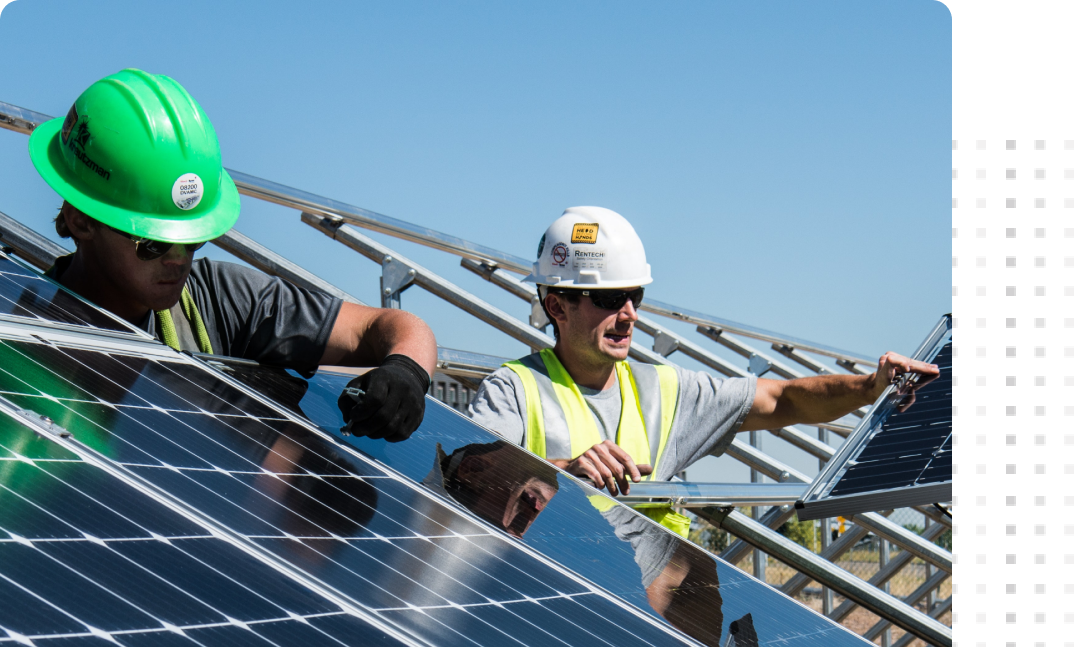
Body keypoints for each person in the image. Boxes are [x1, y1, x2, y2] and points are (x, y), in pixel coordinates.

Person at [468, 206, 940, 536]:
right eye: (612, 299)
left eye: (636, 296)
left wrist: (871, 385)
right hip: (549, 607)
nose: (630, 314)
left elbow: (783, 399)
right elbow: (472, 486)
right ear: (557, 305)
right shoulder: (513, 391)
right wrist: (561, 473)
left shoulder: (665, 392)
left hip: (643, 615)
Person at [28, 68, 436, 442]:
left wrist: (406, 372)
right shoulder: (21, 333)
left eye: (192, 241)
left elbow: (390, 327)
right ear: (80, 221)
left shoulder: (220, 298)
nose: (178, 261)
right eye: (152, 243)